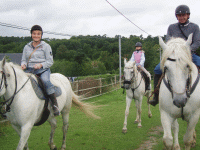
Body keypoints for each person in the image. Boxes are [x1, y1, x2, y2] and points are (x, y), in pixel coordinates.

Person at [149, 5, 200, 106]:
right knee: (157, 69)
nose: (181, 17)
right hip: (174, 55)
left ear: (188, 15)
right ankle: (156, 95)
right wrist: (174, 51)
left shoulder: (194, 27)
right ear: (176, 16)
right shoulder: (172, 27)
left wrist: (186, 50)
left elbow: (197, 42)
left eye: (183, 15)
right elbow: (168, 41)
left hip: (189, 54)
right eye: (179, 15)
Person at [21, 25, 60, 116]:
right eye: (34, 33)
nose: (36, 35)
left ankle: (55, 105)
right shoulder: (26, 47)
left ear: (41, 35)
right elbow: (23, 59)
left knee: (46, 81)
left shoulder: (46, 46)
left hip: (43, 70)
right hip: (29, 70)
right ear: (31, 34)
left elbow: (50, 61)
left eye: (38, 34)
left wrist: (41, 65)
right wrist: (23, 64)